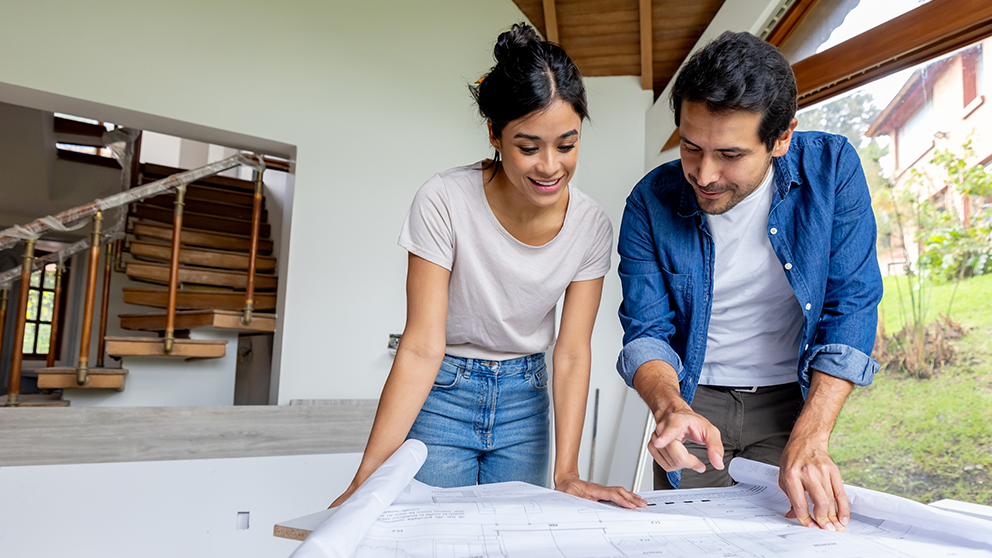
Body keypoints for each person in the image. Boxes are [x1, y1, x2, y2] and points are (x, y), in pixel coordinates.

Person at [332, 23, 645, 510]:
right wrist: (364, 479)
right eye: (528, 146)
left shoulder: (590, 226)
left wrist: (568, 472)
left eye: (567, 145)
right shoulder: (444, 200)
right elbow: (420, 346)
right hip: (443, 393)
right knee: (430, 537)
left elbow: (572, 353)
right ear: (495, 136)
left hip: (527, 399)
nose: (549, 166)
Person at [616, 31, 882, 530]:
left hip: (789, 400)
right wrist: (669, 406)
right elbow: (647, 329)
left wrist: (813, 433)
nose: (705, 174)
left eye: (731, 155)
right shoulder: (649, 201)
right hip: (693, 400)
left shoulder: (832, 170)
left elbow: (853, 303)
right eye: (691, 148)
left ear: (781, 138)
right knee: (690, 540)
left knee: (794, 536)